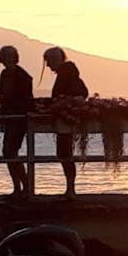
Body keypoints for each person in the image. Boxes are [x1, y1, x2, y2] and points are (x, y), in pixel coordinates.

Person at [0, 45, 33, 197]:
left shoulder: (18, 75)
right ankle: (19, 187)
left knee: (10, 152)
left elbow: (14, 97)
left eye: (9, 55)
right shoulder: (7, 73)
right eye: (5, 56)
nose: (7, 59)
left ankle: (25, 186)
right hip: (11, 117)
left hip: (17, 117)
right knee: (8, 152)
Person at [43, 46, 88, 197]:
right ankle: (70, 188)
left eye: (48, 61)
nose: (47, 65)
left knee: (64, 153)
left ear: (55, 60)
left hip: (66, 119)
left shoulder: (65, 74)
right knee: (64, 153)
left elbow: (74, 94)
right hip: (66, 117)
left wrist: (60, 105)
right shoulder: (69, 73)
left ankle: (70, 189)